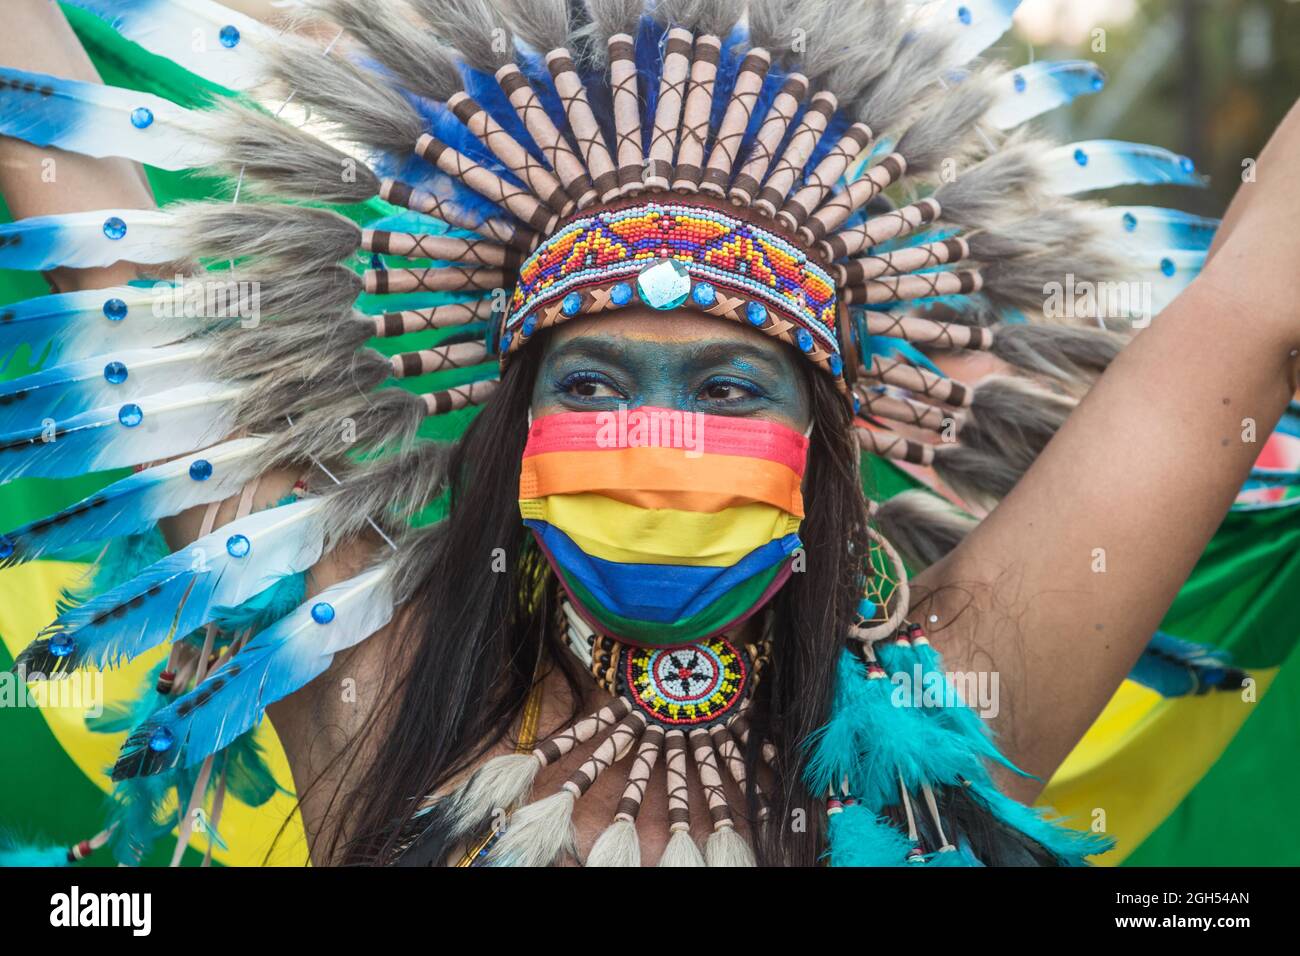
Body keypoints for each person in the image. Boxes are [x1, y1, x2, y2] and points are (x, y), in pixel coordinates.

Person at [0, 0, 1295, 868]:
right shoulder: (381, 697)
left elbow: (1246, 313)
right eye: (595, 384)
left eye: (731, 389)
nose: (655, 438)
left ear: (822, 453)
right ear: (513, 444)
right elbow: (63, 163)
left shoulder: (952, 695)